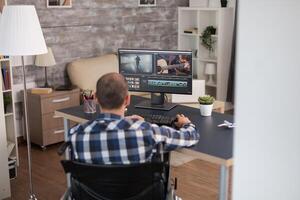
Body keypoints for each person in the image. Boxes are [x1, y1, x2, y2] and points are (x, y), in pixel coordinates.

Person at [68, 73, 199, 164]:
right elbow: (191, 137)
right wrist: (185, 123)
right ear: (127, 99)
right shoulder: (147, 131)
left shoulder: (75, 134)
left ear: (95, 98)